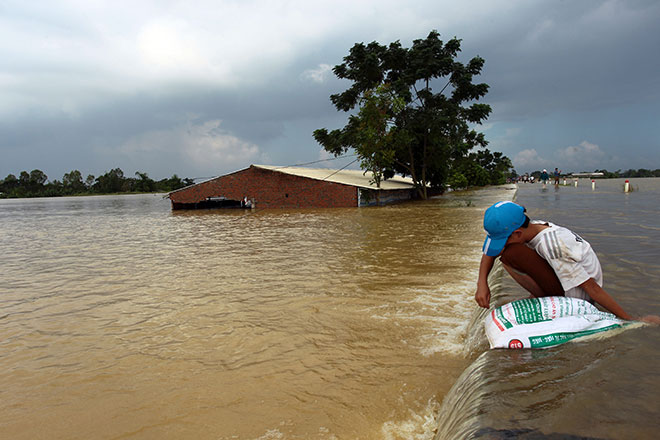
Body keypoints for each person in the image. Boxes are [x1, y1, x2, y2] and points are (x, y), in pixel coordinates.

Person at [475, 201, 660, 324]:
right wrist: (482, 283)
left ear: (517, 233)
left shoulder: (552, 245)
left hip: (577, 295)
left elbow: (591, 288)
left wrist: (630, 319)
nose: (500, 245)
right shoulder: (532, 227)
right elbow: (489, 253)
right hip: (563, 281)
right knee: (505, 252)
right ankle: (540, 295)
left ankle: (544, 297)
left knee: (510, 254)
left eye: (503, 239)